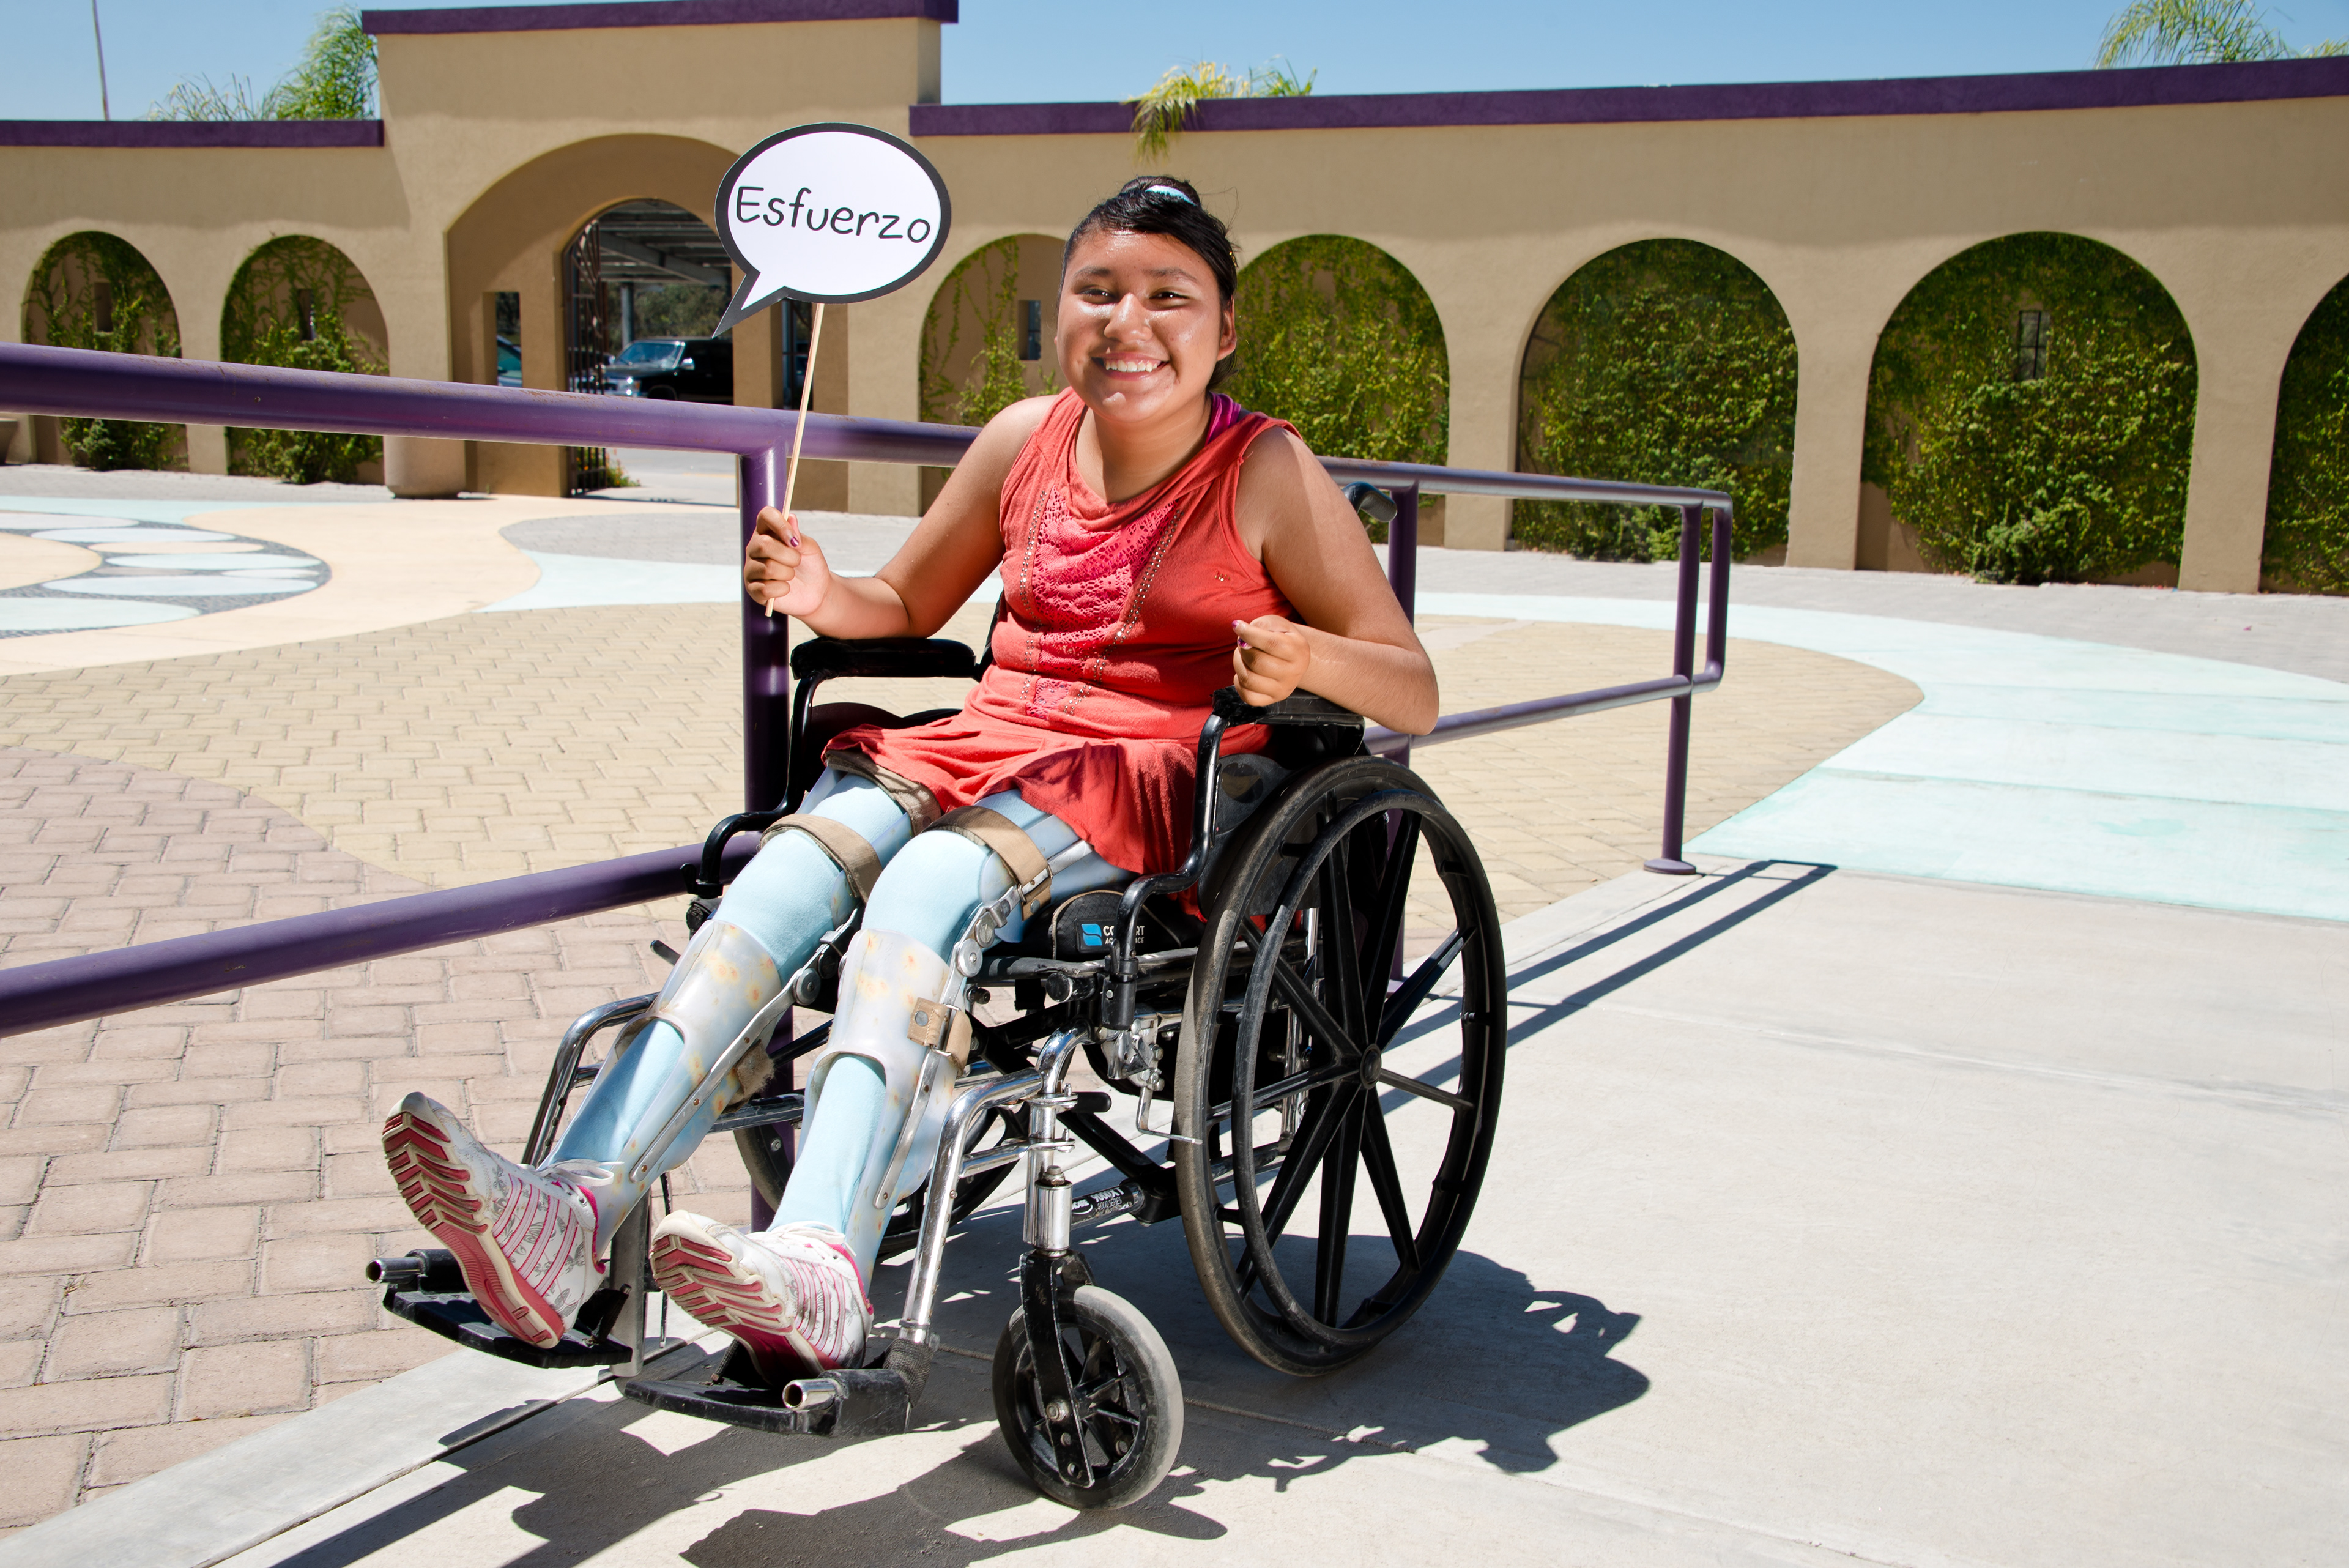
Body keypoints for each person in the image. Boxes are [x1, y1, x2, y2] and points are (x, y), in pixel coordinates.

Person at [380, 175, 1439, 1377]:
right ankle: (568, 1213)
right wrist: (818, 591)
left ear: (1225, 330)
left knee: (931, 881)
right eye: (1098, 290)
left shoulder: (1266, 472)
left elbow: (1413, 687)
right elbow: (906, 605)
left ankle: (825, 1258)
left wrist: (1311, 654)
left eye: (1169, 297)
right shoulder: (1021, 441)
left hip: (1152, 770)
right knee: (786, 870)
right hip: (990, 738)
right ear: (1063, 310)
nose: (1128, 323)